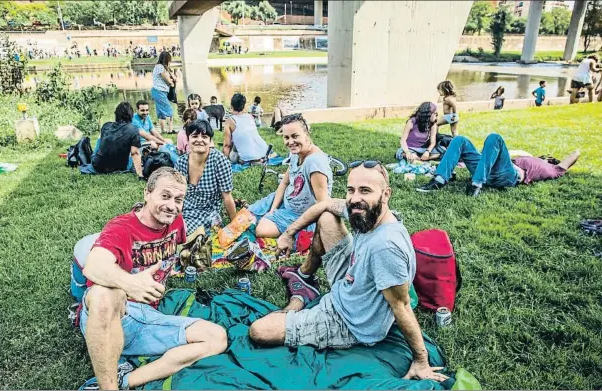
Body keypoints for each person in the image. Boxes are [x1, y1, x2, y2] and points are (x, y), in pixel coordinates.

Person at [248, 161, 448, 383]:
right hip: (352, 280)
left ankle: (301, 300)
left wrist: (421, 360)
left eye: (365, 190)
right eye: (351, 190)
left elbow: (401, 306)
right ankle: (304, 278)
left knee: (259, 330)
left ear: (386, 195)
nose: (354, 198)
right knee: (326, 217)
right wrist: (289, 232)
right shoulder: (365, 211)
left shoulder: (385, 246)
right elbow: (323, 205)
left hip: (349, 321)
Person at [78, 168, 228, 390]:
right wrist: (131, 283)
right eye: (165, 196)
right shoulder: (121, 228)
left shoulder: (176, 223)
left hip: (148, 319)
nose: (172, 206)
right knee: (104, 294)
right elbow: (94, 266)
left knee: (217, 337)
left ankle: (126, 380)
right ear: (147, 193)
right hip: (116, 316)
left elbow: (177, 251)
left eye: (179, 199)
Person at [249, 113, 333, 238]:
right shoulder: (296, 154)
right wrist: (272, 210)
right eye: (286, 137)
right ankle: (272, 215)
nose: (290, 142)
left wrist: (294, 227)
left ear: (307, 134)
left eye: (295, 136)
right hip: (288, 201)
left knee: (260, 230)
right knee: (246, 216)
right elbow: (284, 183)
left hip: (301, 215)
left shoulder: (314, 163)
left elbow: (323, 205)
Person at [416, 134, 580, 196]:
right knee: (460, 140)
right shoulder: (530, 158)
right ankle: (439, 179)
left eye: (549, 158)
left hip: (508, 176)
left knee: (495, 137)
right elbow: (503, 154)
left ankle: (476, 184)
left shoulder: (552, 169)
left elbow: (571, 159)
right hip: (490, 167)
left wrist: (577, 151)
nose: (547, 158)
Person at [176, 120, 237, 235]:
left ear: (210, 141)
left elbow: (227, 197)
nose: (199, 140)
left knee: (181, 233)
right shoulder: (181, 162)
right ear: (188, 139)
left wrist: (235, 225)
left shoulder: (220, 161)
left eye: (204, 136)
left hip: (207, 213)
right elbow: (177, 195)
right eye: (194, 136)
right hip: (183, 210)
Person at [81, 102, 144, 179]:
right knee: (137, 149)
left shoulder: (106, 125)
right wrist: (140, 174)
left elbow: (98, 147)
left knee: (101, 141)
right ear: (131, 115)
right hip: (120, 167)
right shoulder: (134, 129)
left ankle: (95, 157)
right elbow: (135, 153)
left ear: (116, 114)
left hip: (98, 165)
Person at [223, 93, 269, 164]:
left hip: (247, 157)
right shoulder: (250, 116)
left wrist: (224, 161)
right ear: (243, 106)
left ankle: (253, 160)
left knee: (232, 155)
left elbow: (227, 145)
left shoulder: (229, 121)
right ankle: (259, 159)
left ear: (231, 105)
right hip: (264, 150)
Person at [151, 51, 176, 134]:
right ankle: (170, 130)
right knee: (169, 111)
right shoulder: (160, 67)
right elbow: (169, 81)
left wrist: (169, 69)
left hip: (159, 92)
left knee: (161, 113)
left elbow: (174, 78)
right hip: (159, 91)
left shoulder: (162, 67)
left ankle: (163, 131)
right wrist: (172, 83)